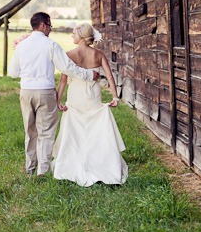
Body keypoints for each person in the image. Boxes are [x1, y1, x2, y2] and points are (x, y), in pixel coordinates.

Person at [8, 12, 100, 177]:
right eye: (50, 26)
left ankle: (30, 170)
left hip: (26, 92)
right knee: (46, 132)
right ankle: (42, 171)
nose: (50, 29)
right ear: (43, 25)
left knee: (30, 132)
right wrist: (88, 75)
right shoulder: (51, 45)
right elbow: (67, 68)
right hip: (45, 92)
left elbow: (13, 72)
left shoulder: (22, 46)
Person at [51, 23, 128, 187]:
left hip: (76, 96)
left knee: (75, 129)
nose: (72, 36)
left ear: (80, 36)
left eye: (73, 33)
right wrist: (115, 97)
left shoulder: (69, 55)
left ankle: (70, 165)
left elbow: (63, 81)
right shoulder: (98, 54)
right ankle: (100, 165)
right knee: (95, 128)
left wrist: (58, 100)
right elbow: (109, 76)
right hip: (93, 95)